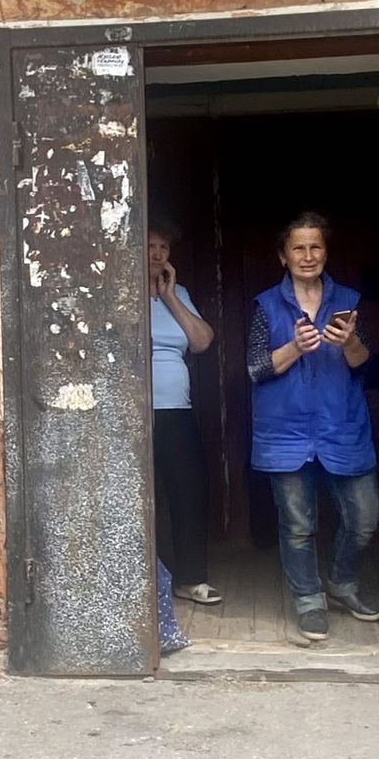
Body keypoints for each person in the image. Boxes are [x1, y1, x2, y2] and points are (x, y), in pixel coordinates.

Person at [246, 212, 379, 643]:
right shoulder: (265, 305)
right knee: (298, 525)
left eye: (315, 246)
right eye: (298, 248)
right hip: (285, 430)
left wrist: (350, 343)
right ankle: (309, 600)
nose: (308, 255)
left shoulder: (349, 300)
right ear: (283, 256)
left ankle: (342, 582)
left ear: (326, 252)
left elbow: (365, 367)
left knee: (365, 517)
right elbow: (255, 369)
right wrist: (295, 348)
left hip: (341, 425)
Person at [148, 221, 222, 607]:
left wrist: (171, 296)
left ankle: (189, 579)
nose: (158, 254)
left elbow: (202, 341)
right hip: (135, 414)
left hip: (176, 410)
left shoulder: (180, 295)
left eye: (163, 247)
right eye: (150, 246)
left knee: (189, 490)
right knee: (141, 495)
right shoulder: (118, 295)